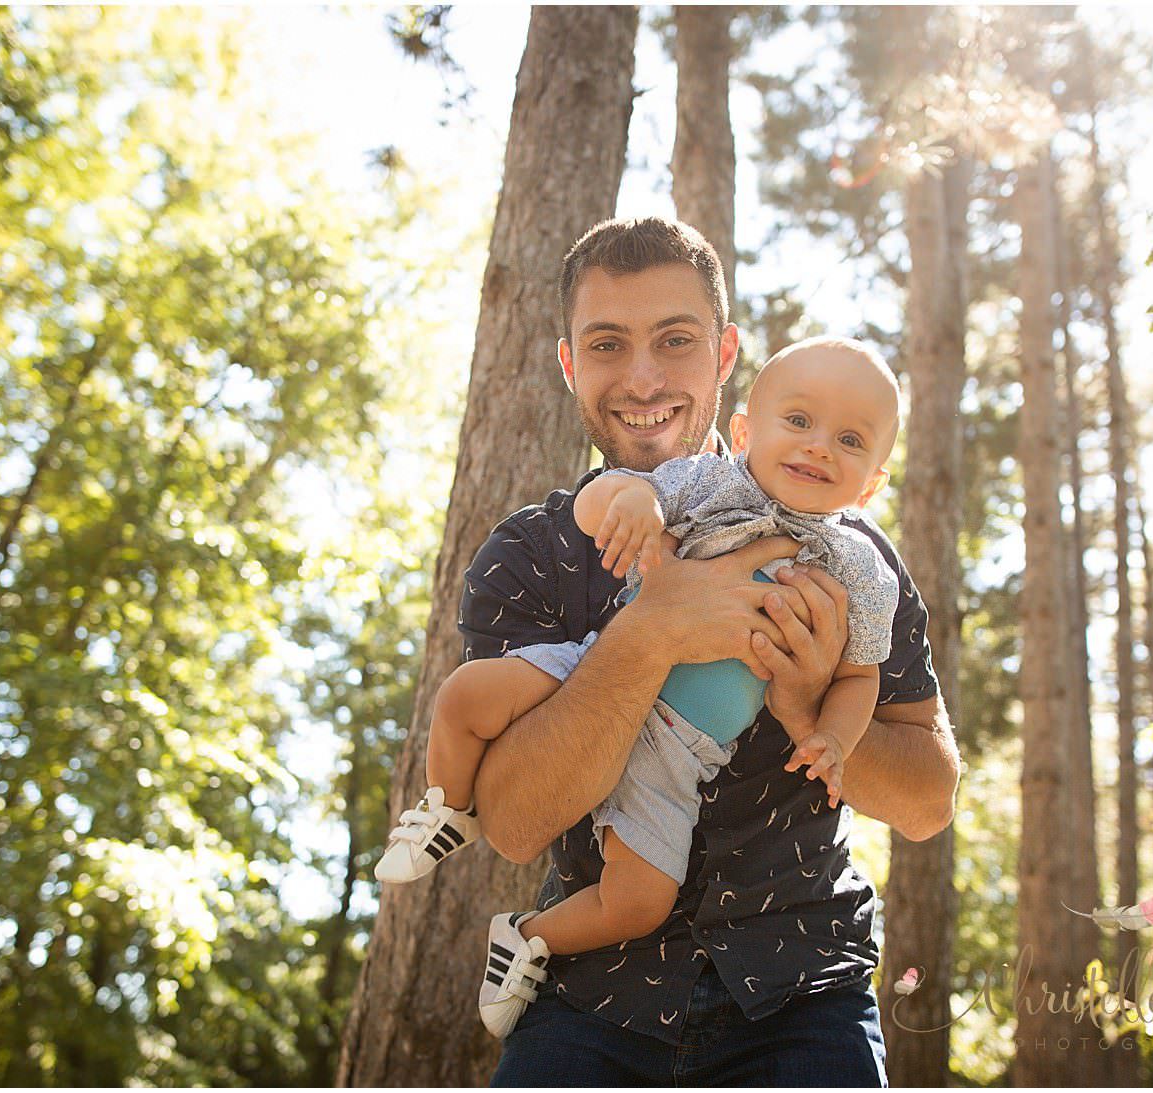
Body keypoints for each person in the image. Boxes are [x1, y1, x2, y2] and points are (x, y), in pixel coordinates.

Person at [437, 216, 957, 1085]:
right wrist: (650, 632)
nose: (643, 378)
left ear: (724, 354)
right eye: (607, 343)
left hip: (805, 998)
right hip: (589, 1002)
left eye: (674, 340)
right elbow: (516, 823)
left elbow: (928, 801)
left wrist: (806, 707)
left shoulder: (855, 560)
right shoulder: (532, 553)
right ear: (569, 364)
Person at [375, 338, 907, 1044]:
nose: (819, 446)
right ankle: (449, 805)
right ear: (744, 432)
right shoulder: (711, 483)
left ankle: (529, 936)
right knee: (466, 696)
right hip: (596, 673)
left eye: (849, 440)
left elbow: (861, 676)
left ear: (870, 485)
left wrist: (830, 733)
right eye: (800, 421)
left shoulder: (862, 570)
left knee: (637, 902)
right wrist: (634, 505)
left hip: (680, 753)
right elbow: (604, 497)